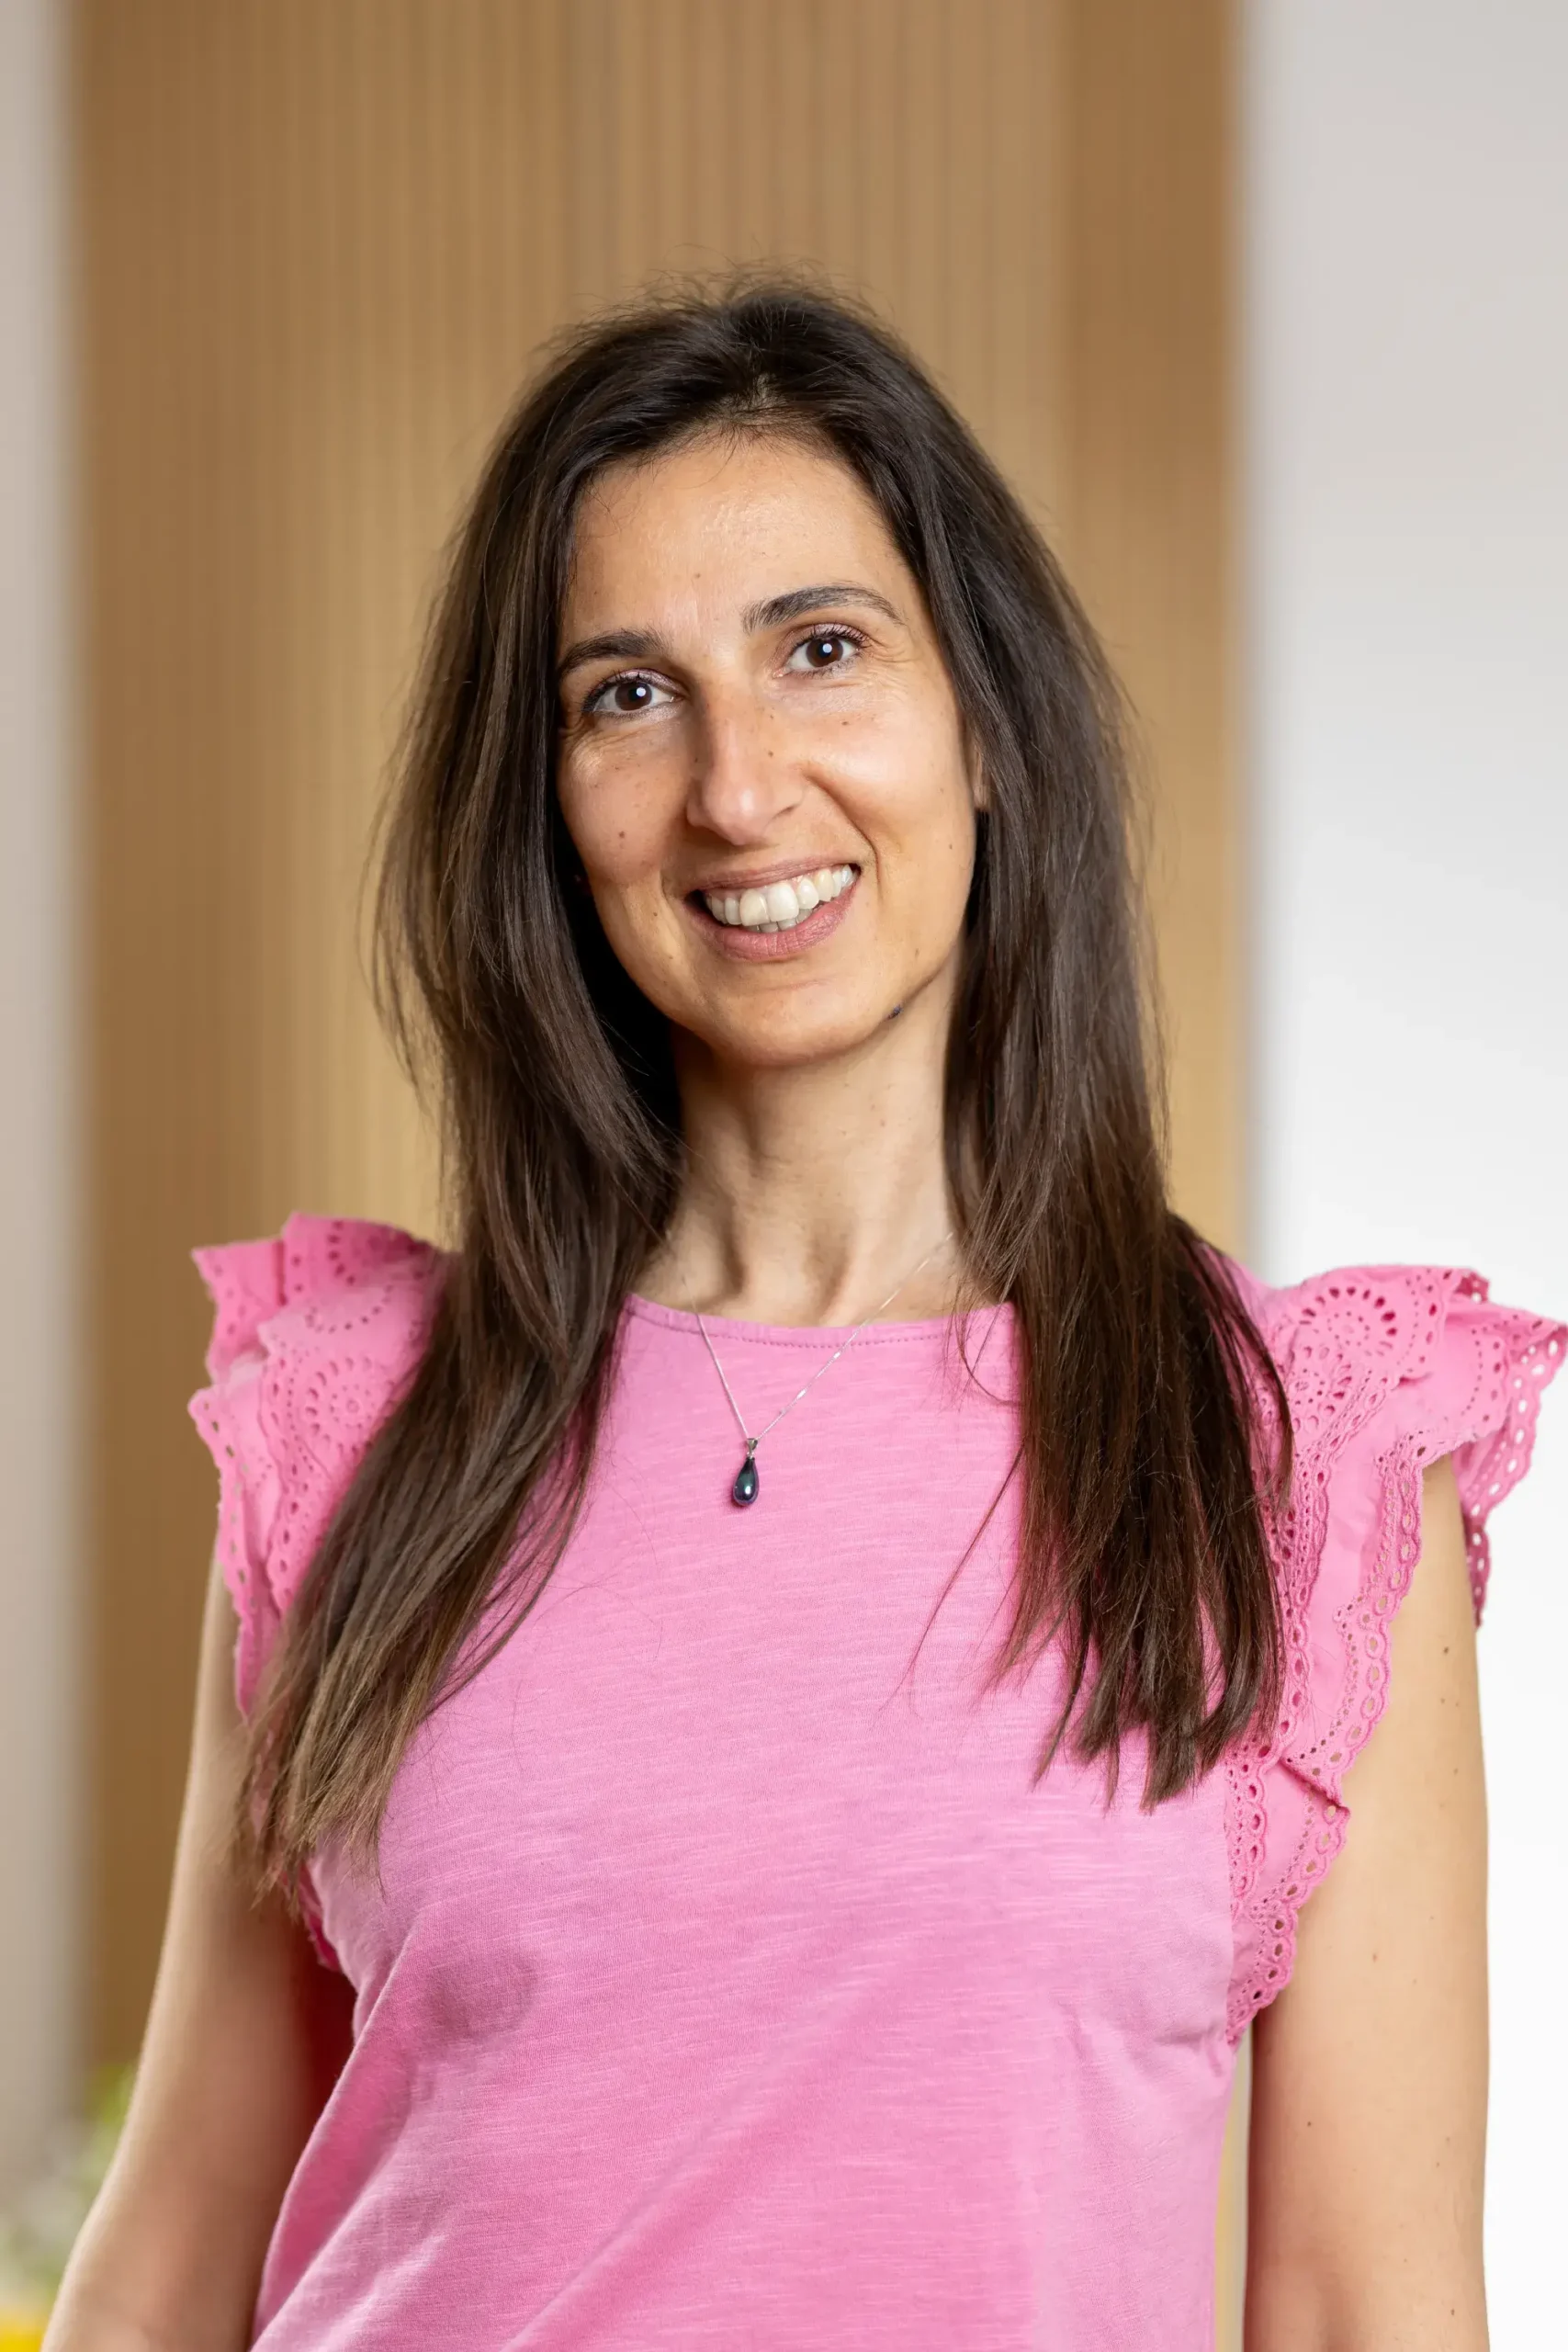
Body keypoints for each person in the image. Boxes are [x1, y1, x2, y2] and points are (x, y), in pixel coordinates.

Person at [48, 284, 1563, 2352]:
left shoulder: (1299, 1457)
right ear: (548, 806)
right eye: (626, 695)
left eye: (821, 649)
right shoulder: (361, 1420)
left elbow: (1366, 2310)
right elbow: (170, 2268)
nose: (737, 787)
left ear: (988, 724)